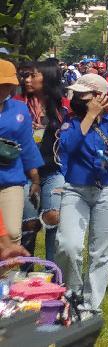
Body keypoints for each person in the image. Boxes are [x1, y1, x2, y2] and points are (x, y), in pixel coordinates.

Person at [55, 73, 108, 313]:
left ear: (100, 95)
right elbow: (68, 146)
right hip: (76, 189)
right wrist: (89, 115)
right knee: (68, 244)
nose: (76, 98)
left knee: (101, 252)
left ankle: (90, 304)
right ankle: (73, 292)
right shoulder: (72, 121)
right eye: (75, 94)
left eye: (82, 95)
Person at [17, 62, 68, 260]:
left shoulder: (62, 106)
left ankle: (53, 276)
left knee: (54, 219)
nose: (27, 80)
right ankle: (26, 272)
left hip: (53, 171)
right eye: (25, 76)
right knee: (29, 224)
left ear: (46, 78)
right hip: (25, 173)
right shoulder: (17, 104)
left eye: (32, 75)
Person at [0, 60, 42, 249]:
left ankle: (5, 276)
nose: (4, 89)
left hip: (11, 179)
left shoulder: (19, 109)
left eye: (8, 85)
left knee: (13, 233)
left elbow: (27, 145)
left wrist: (35, 179)